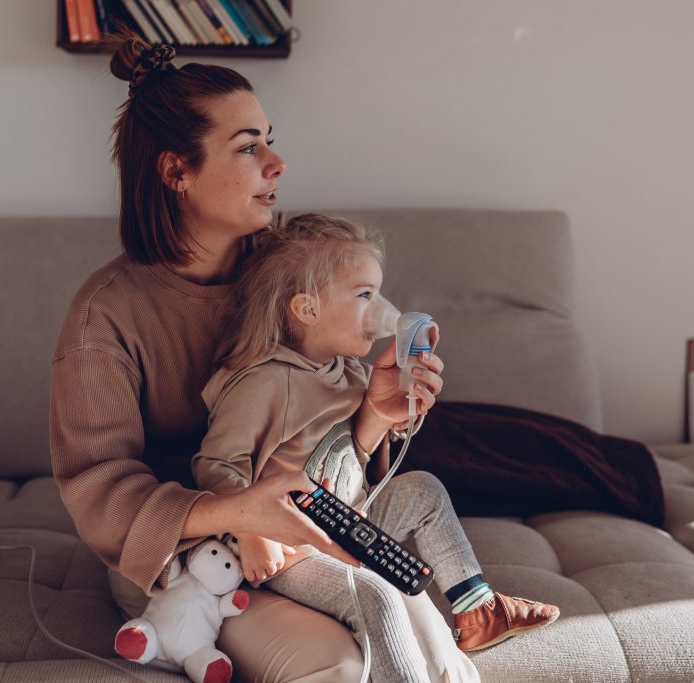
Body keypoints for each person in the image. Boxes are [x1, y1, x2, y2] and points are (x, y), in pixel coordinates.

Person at [48, 32, 381, 681]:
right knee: (335, 667)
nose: (277, 162)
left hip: (297, 525)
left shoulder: (293, 277)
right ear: (178, 171)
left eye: (269, 138)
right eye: (249, 146)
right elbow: (100, 488)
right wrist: (236, 512)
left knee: (411, 619)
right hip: (183, 557)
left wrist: (379, 408)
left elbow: (329, 426)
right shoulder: (105, 316)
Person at [193, 213, 561, 683]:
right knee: (380, 593)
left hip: (347, 522)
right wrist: (249, 531)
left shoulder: (351, 373)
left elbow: (350, 463)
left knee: (423, 489)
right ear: (306, 309)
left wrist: (379, 415)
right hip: (294, 546)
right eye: (365, 295)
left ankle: (478, 609)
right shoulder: (264, 383)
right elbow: (215, 464)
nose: (384, 308)